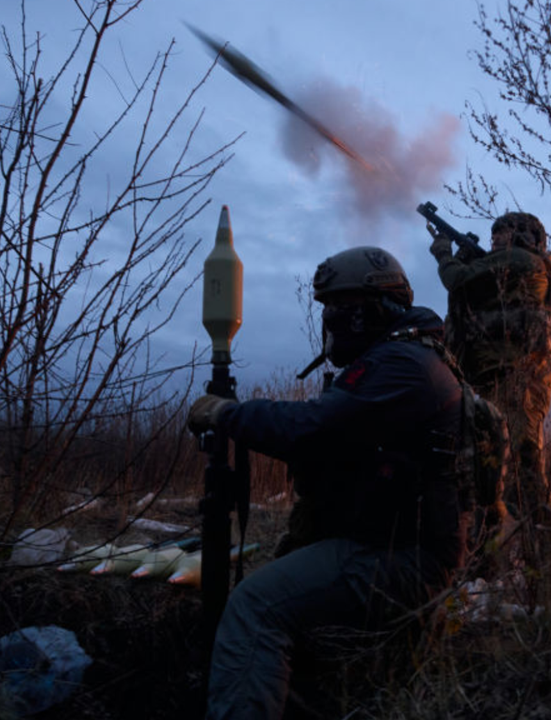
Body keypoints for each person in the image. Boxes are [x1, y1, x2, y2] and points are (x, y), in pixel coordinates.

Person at [187, 246, 465, 720]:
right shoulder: (395, 358)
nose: (332, 319)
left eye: (342, 307)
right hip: (382, 541)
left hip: (401, 558)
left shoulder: (405, 366)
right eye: (328, 308)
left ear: (377, 308)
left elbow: (312, 428)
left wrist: (230, 414)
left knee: (255, 605)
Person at [427, 211, 551, 531]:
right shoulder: (526, 267)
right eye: (494, 235)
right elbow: (473, 290)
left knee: (520, 464)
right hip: (506, 379)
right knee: (495, 465)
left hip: (513, 380)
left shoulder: (522, 260)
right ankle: (501, 542)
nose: (495, 241)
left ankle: (542, 546)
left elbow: (457, 280)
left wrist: (445, 252)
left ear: (523, 236)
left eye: (501, 234)